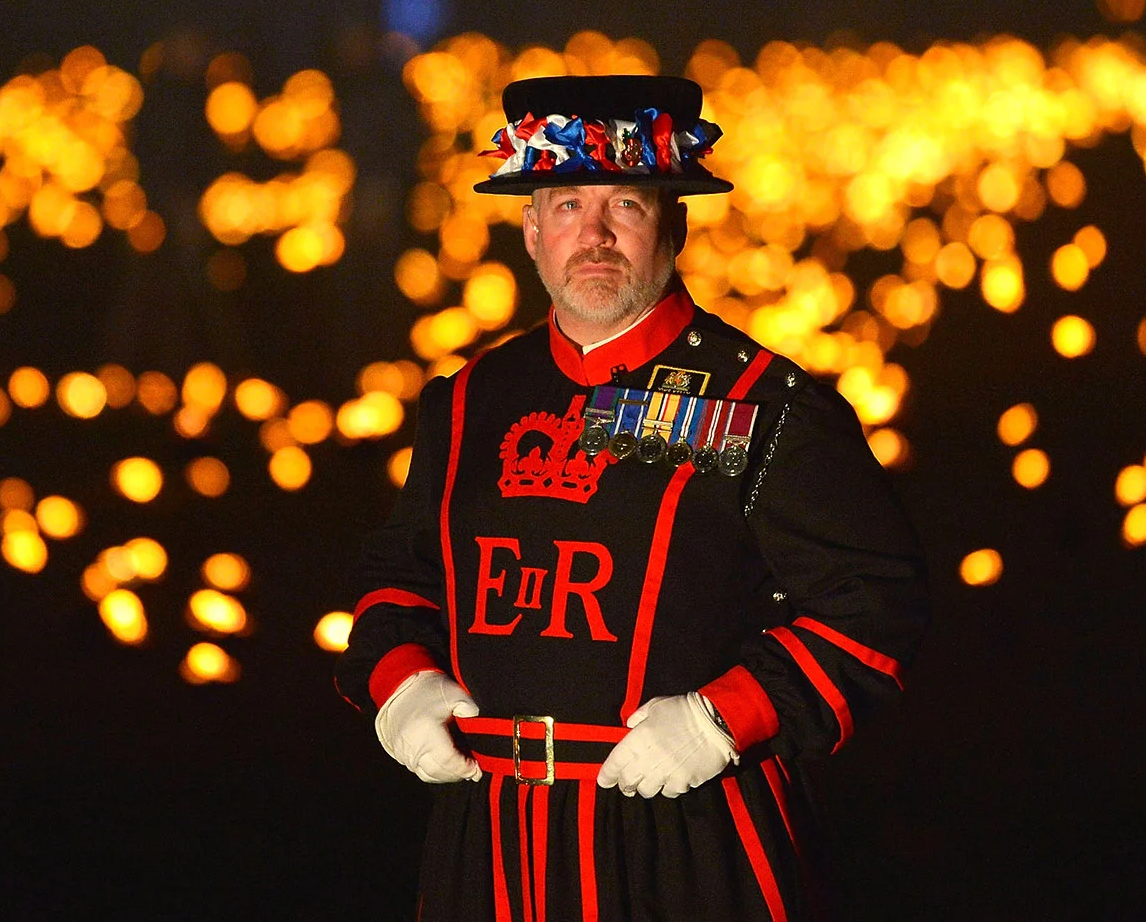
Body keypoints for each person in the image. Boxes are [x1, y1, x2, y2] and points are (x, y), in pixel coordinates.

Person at [335, 74, 928, 922]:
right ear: (532, 230)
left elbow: (875, 599)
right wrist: (401, 683)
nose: (596, 235)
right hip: (489, 840)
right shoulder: (468, 402)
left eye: (628, 206)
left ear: (675, 226)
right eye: (568, 205)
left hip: (683, 844)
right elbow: (403, 575)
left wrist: (722, 720)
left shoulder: (758, 404)